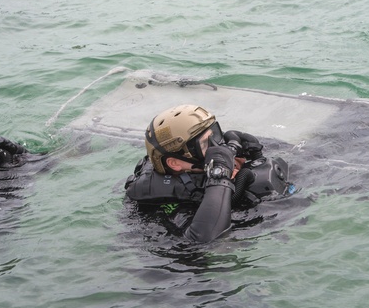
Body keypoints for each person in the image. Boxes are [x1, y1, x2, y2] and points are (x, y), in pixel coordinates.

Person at [123, 104, 294, 244]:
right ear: (174, 163)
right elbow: (204, 237)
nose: (217, 146)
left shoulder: (203, 167)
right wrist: (220, 173)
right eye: (205, 144)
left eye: (216, 135)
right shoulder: (171, 206)